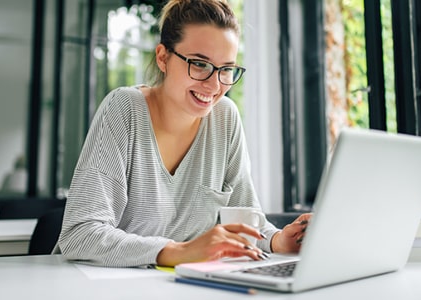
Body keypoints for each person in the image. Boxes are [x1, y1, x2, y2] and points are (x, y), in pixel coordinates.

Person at [57, 0, 311, 267]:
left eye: (226, 69)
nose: (214, 85)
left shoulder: (225, 117)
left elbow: (244, 223)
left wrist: (278, 241)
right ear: (163, 57)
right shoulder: (125, 109)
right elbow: (80, 234)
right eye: (200, 64)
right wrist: (178, 251)